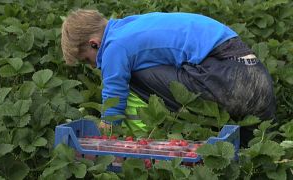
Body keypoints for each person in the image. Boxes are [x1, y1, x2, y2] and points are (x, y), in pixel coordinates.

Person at [61, 9, 276, 144]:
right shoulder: (130, 26)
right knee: (249, 148)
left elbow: (113, 97)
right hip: (257, 82)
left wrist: (104, 136)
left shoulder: (114, 46)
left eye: (87, 60)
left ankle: (150, 134)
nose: (94, 65)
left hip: (231, 81)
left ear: (94, 43)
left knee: (132, 74)